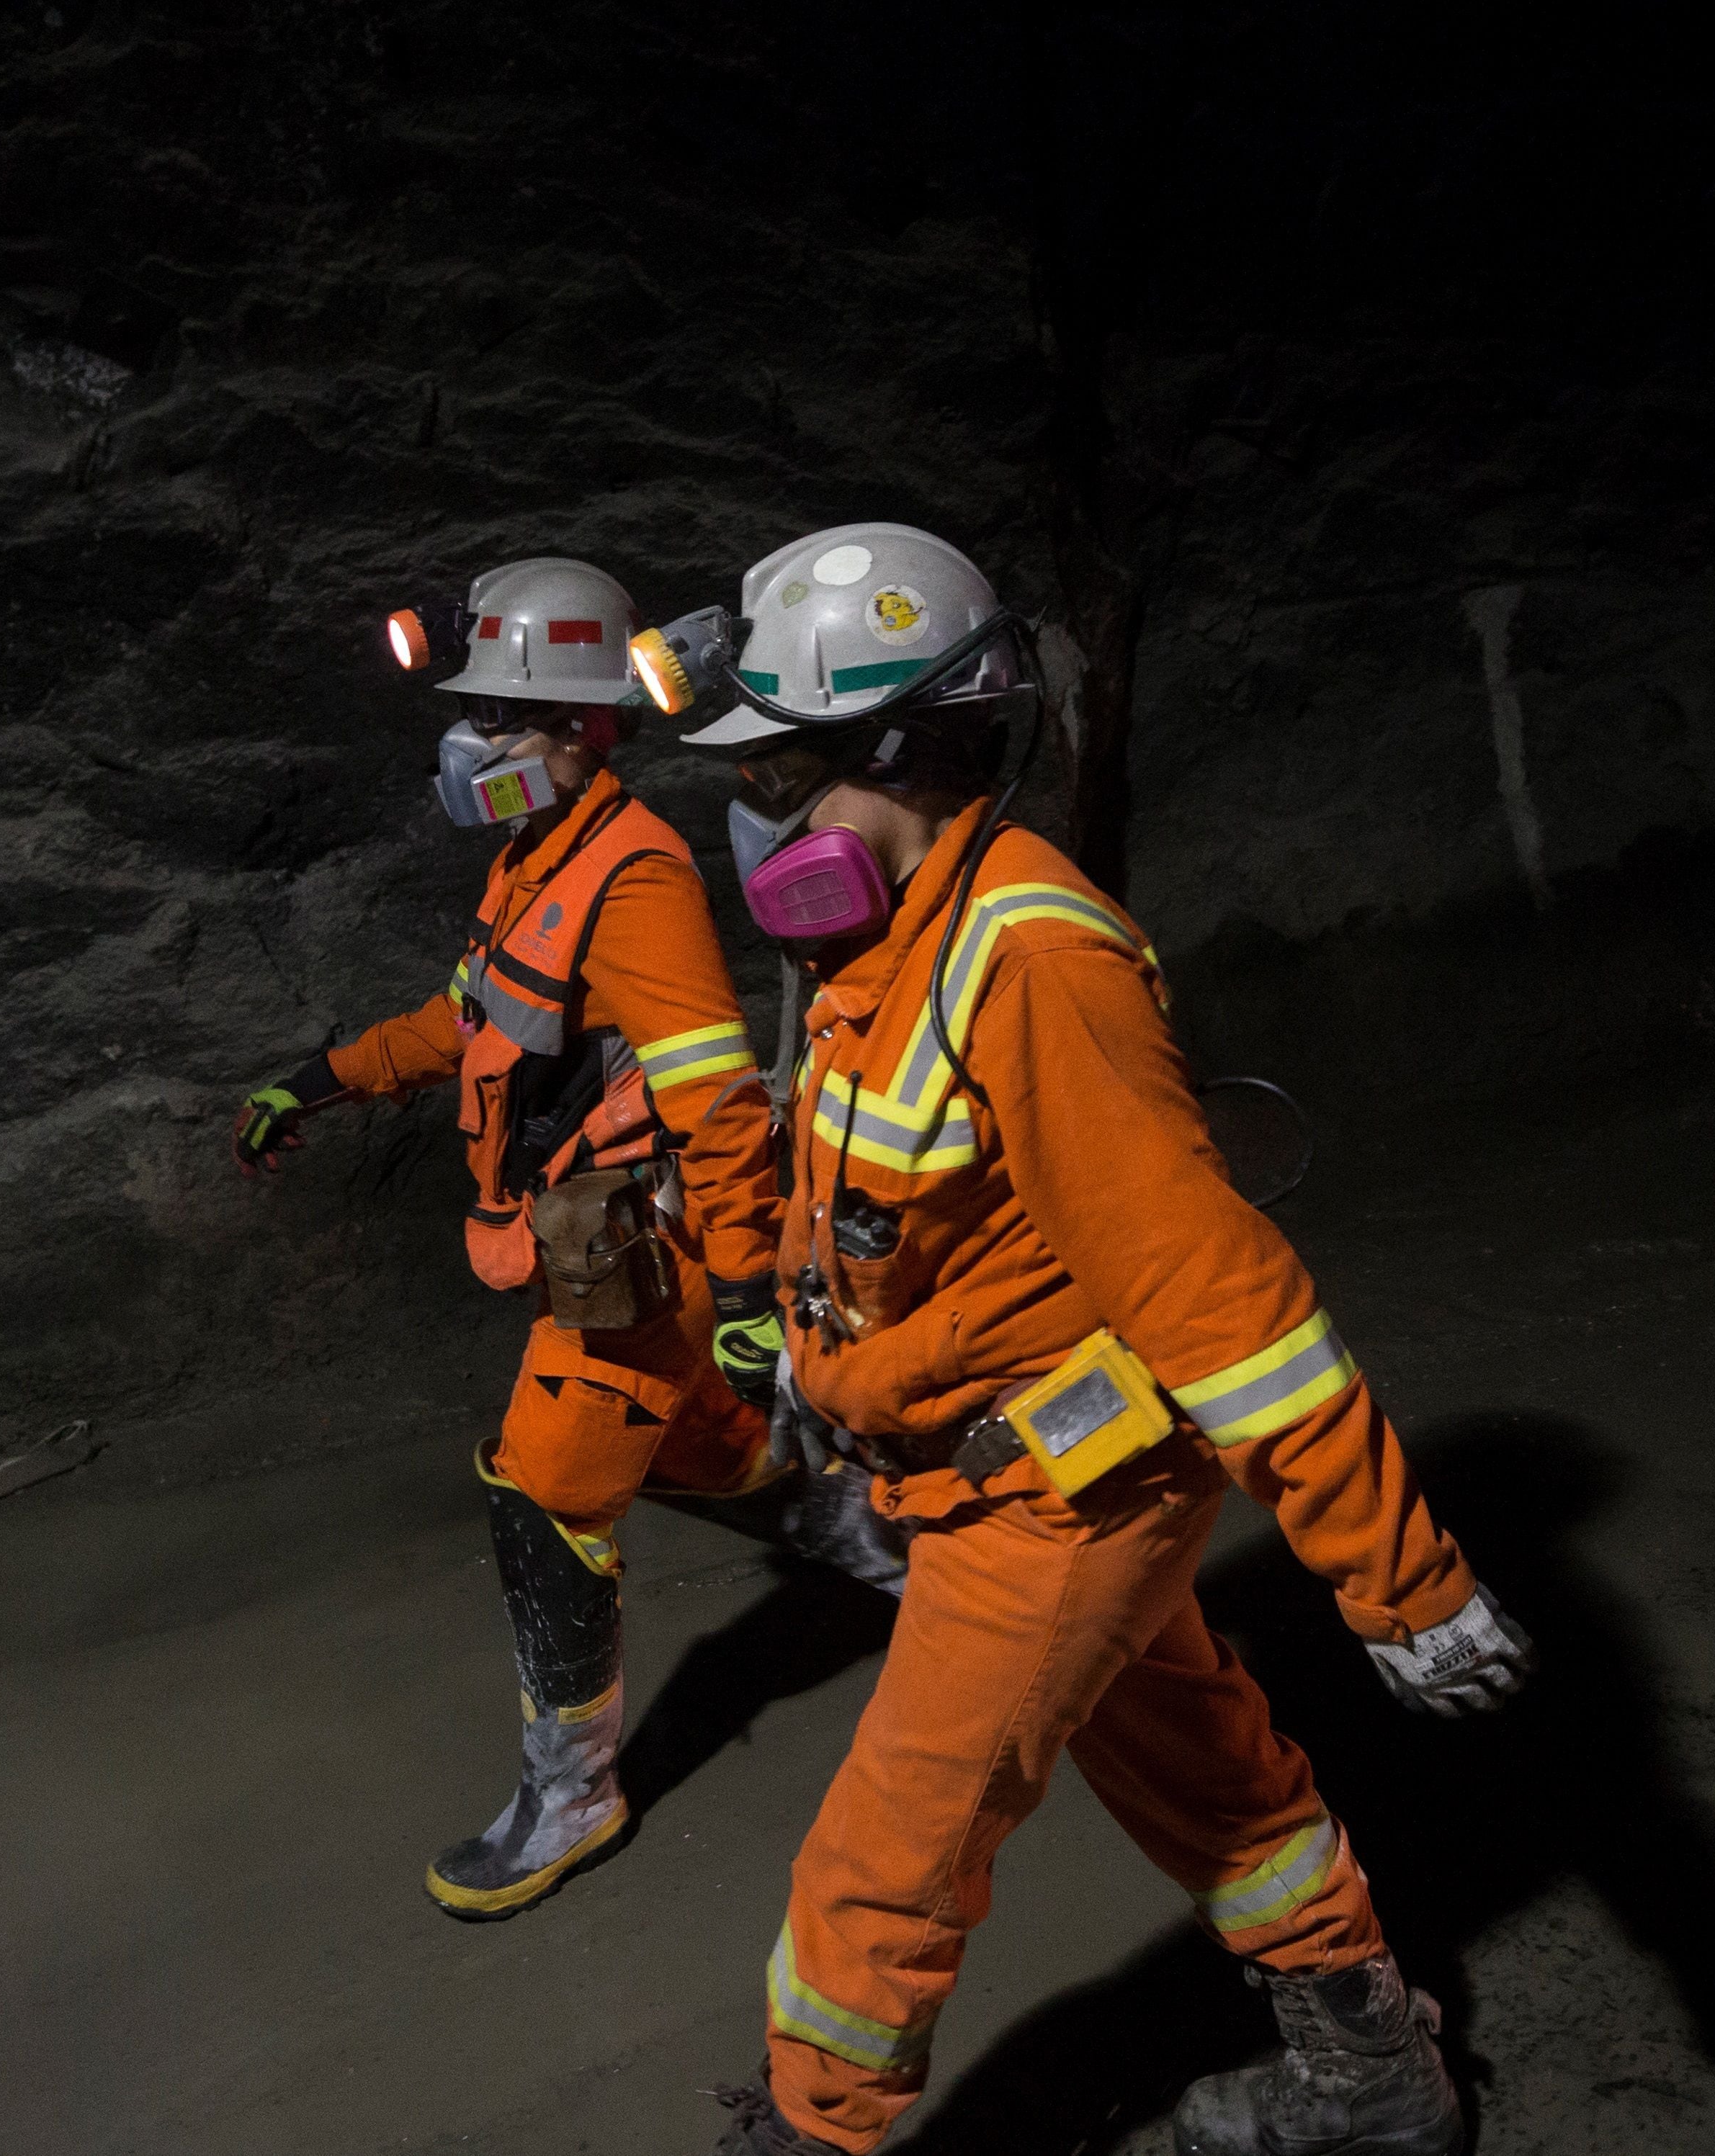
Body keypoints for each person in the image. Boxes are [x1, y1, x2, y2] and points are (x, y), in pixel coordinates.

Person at [642, 526, 1534, 2156]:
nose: (757, 812)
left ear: (904, 753)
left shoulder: (1030, 960)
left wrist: (1399, 1575)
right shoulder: (880, 945)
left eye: (783, 773)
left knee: (882, 1862)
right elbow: (886, 1215)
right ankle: (1376, 2079)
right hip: (979, 1473)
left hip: (1056, 1495)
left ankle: (807, 2127)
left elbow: (1220, 1297)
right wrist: (826, 1386)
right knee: (1217, 1783)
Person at [233, 554, 898, 1923]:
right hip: (588, 1245)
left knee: (540, 1485)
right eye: (474, 711)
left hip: (643, 1255)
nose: (477, 744)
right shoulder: (534, 860)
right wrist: (325, 1075)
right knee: (694, 1436)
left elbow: (716, 1096)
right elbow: (467, 1022)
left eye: (513, 720)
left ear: (594, 728)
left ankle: (571, 1788)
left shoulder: (635, 872)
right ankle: (852, 1521)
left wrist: (760, 1287)